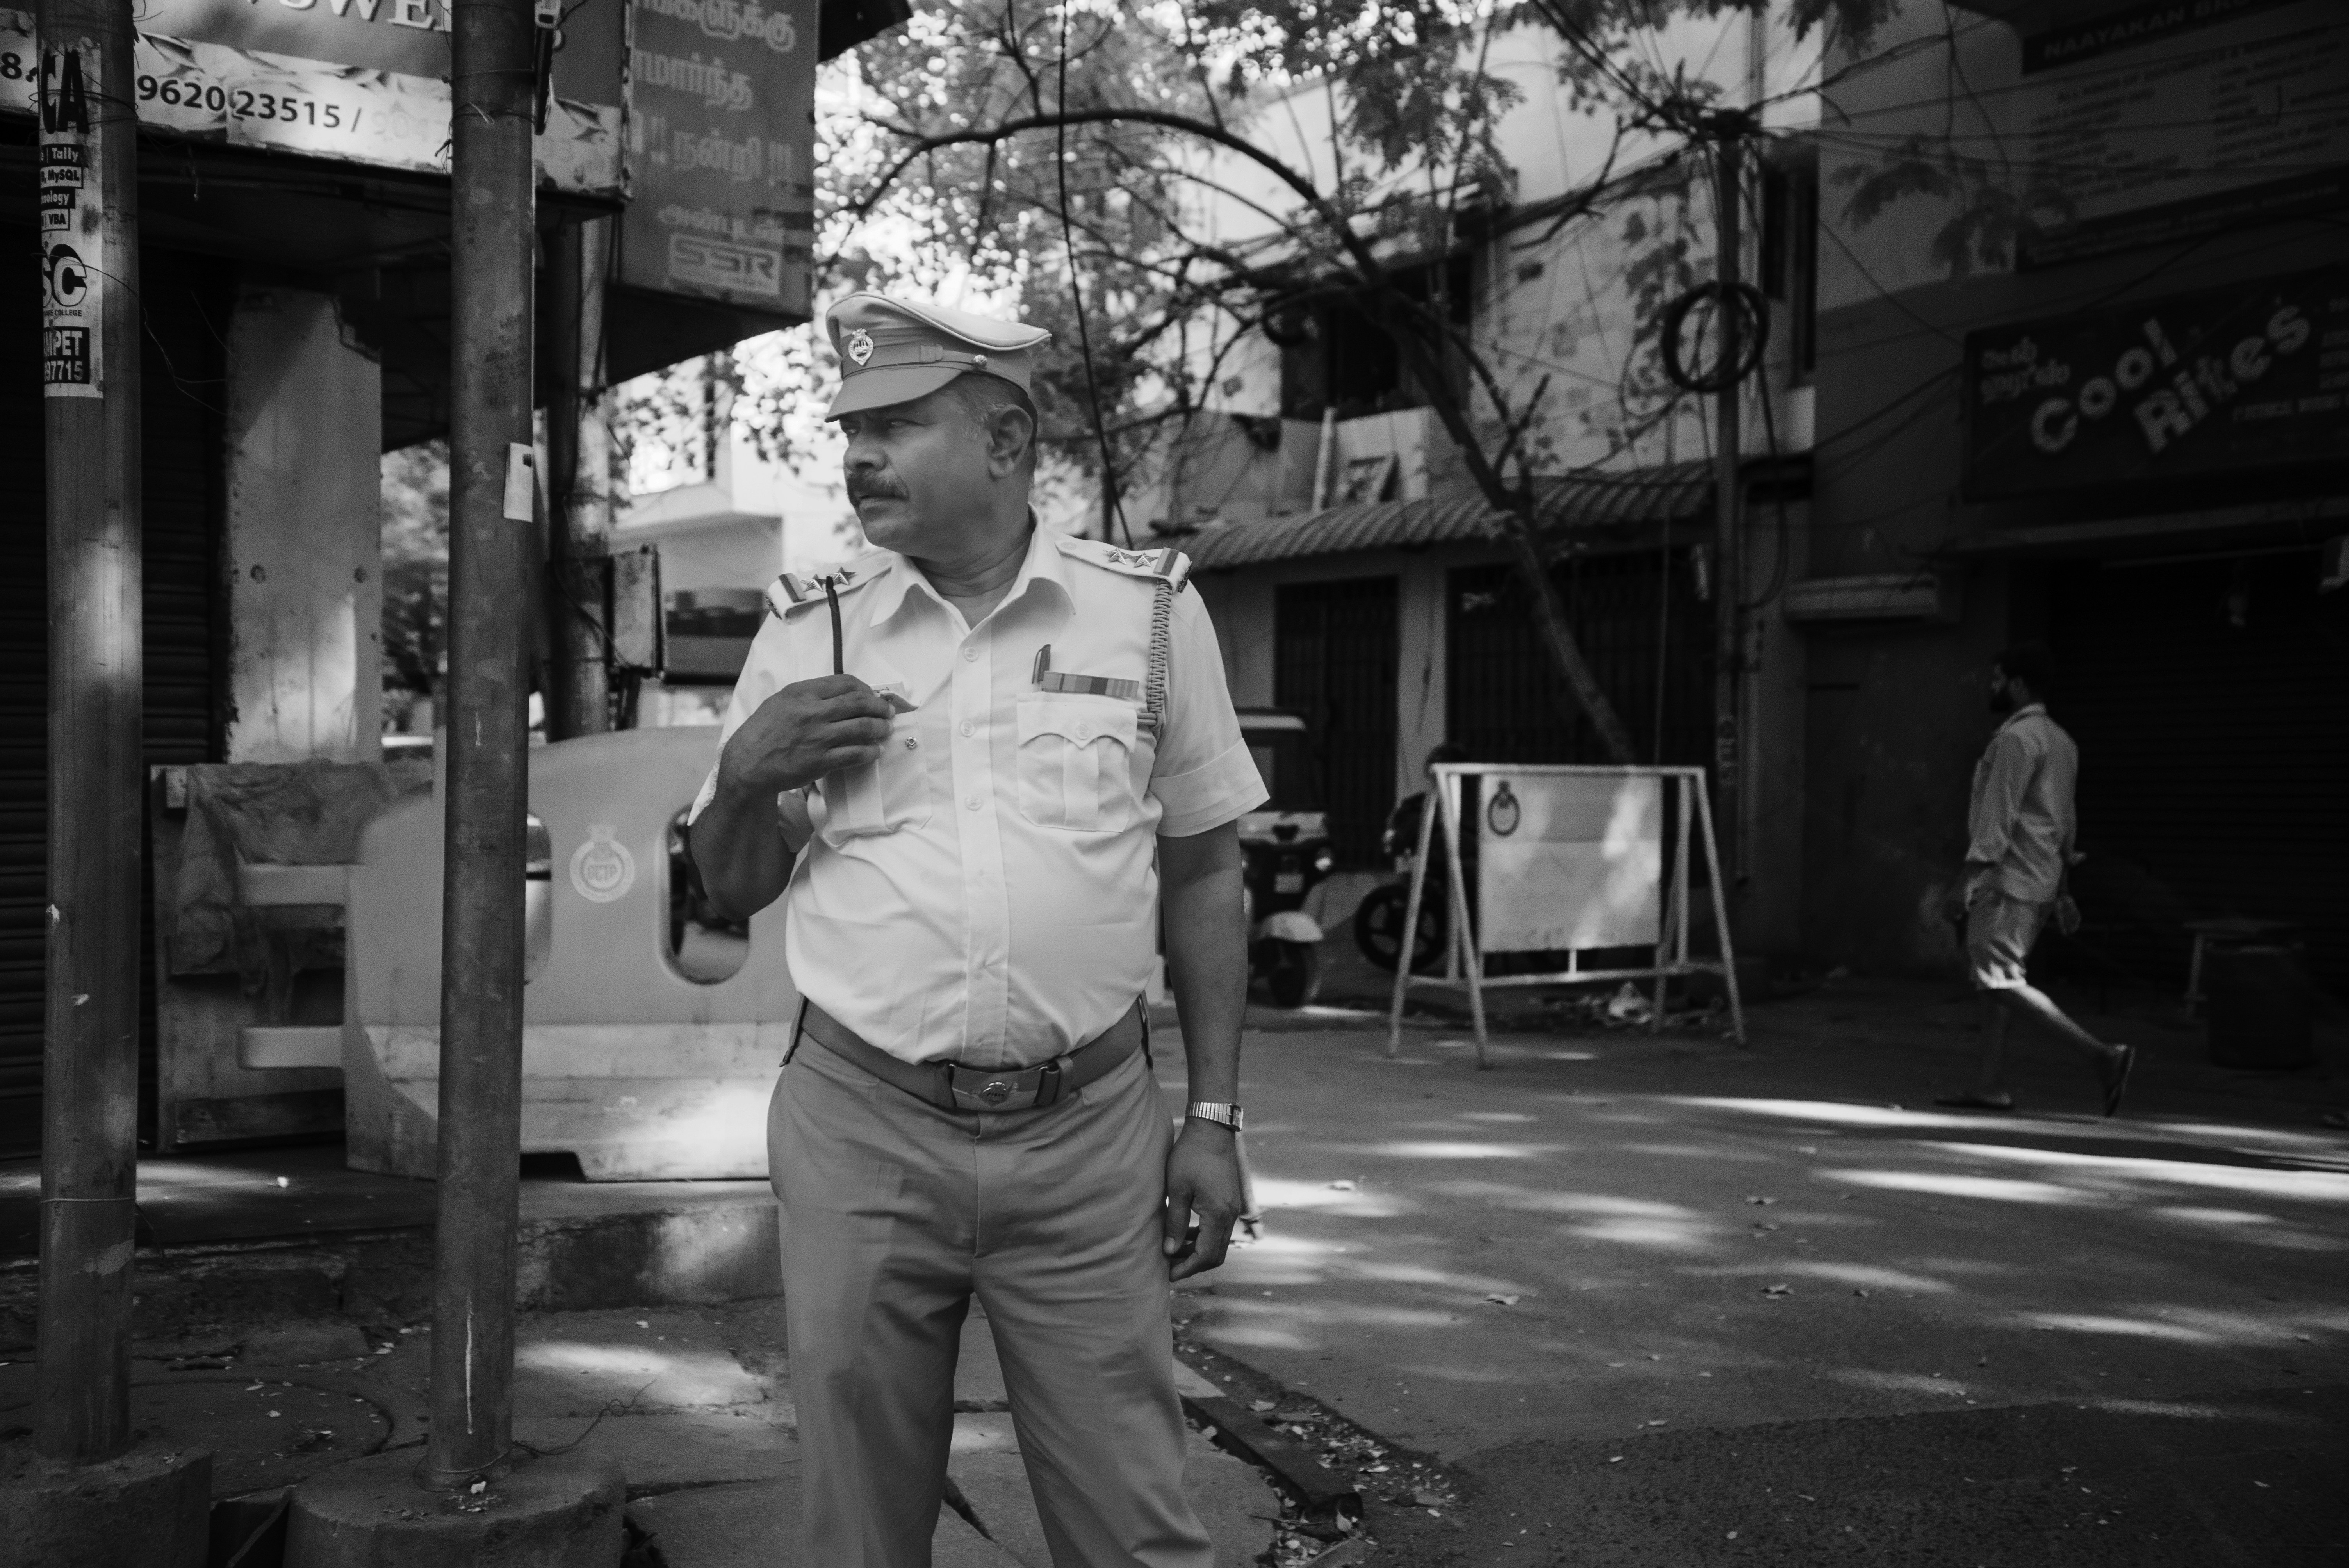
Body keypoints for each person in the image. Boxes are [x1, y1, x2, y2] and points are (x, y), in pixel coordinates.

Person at [685, 293, 1266, 1568]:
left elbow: (1205, 871)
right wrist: (742, 775)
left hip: (1088, 1133)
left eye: (895, 424)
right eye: (851, 427)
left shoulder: (1150, 612)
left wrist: (1213, 1120)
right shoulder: (810, 625)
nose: (857, 454)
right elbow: (726, 893)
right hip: (862, 1126)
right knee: (861, 1528)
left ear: (1005, 443)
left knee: (1134, 1524)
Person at [1937, 642, 2135, 1117]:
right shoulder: (2061, 741)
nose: (1991, 686)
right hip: (2039, 881)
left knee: (2000, 982)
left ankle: (2103, 1056)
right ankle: (1988, 1085)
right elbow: (2064, 821)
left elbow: (1996, 818)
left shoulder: (2016, 740)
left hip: (2008, 881)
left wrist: (1965, 880)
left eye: (1998, 678)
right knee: (1996, 985)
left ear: (2019, 684)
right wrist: (2063, 887)